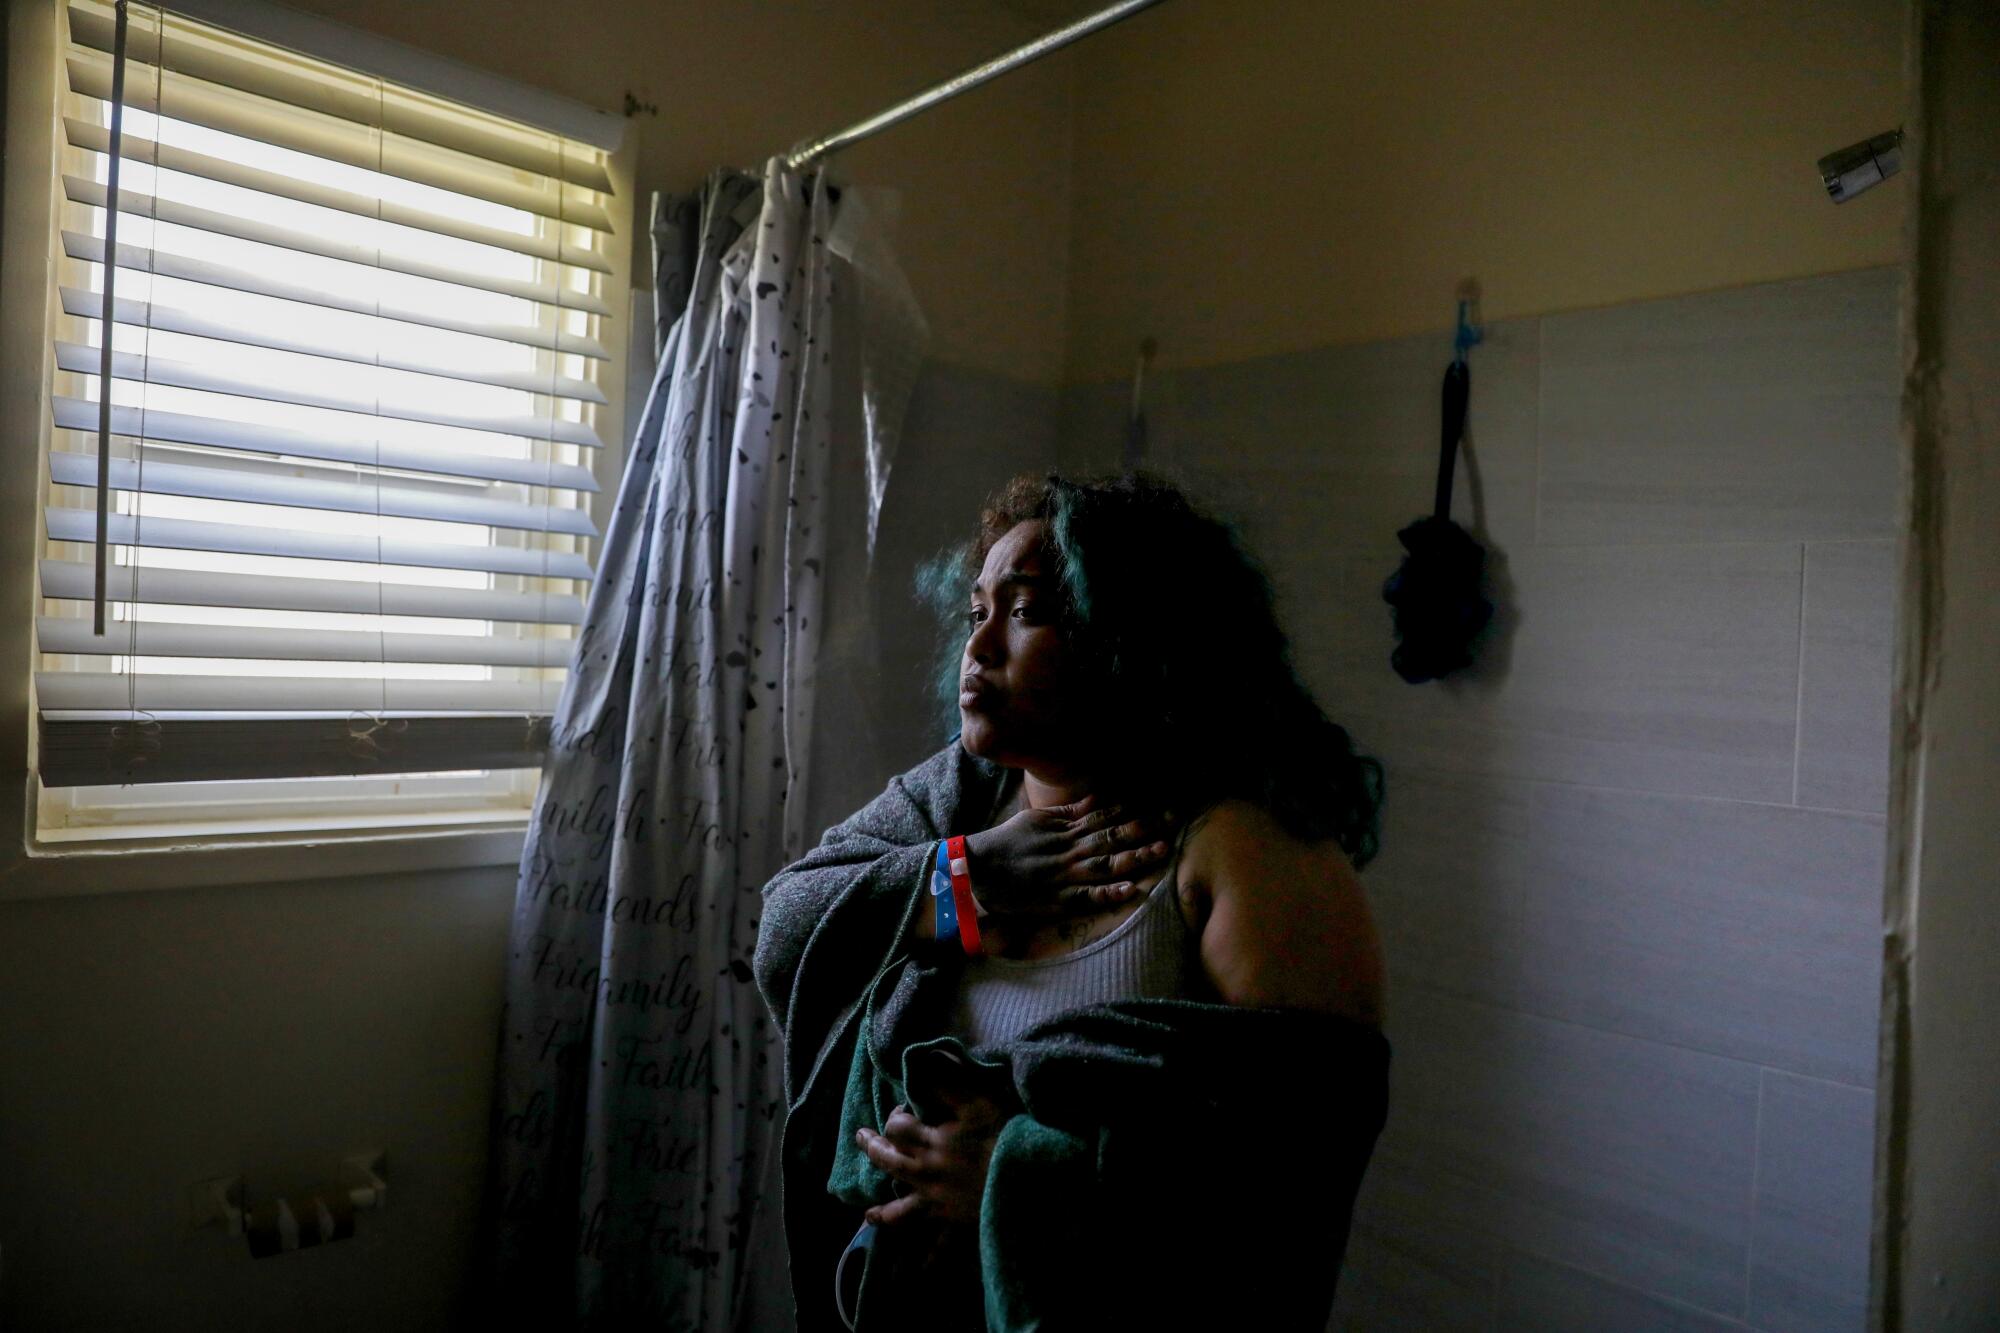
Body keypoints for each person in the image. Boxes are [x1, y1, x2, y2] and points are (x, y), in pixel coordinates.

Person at [754, 470, 1390, 1332]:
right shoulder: (964, 797)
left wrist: (1008, 1179)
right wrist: (965, 877)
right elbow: (788, 926)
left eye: (1024, 611)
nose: (977, 649)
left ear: (1130, 635)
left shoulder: (1250, 854)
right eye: (977, 611)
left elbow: (1291, 1176)